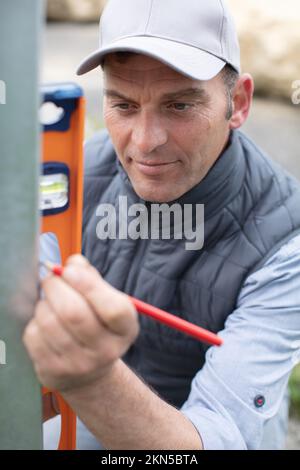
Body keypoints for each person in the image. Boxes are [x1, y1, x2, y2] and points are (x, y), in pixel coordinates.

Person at [25, 0, 300, 450]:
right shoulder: (71, 176)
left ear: (239, 102)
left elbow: (216, 438)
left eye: (180, 105)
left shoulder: (287, 244)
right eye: (124, 105)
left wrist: (92, 378)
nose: (146, 142)